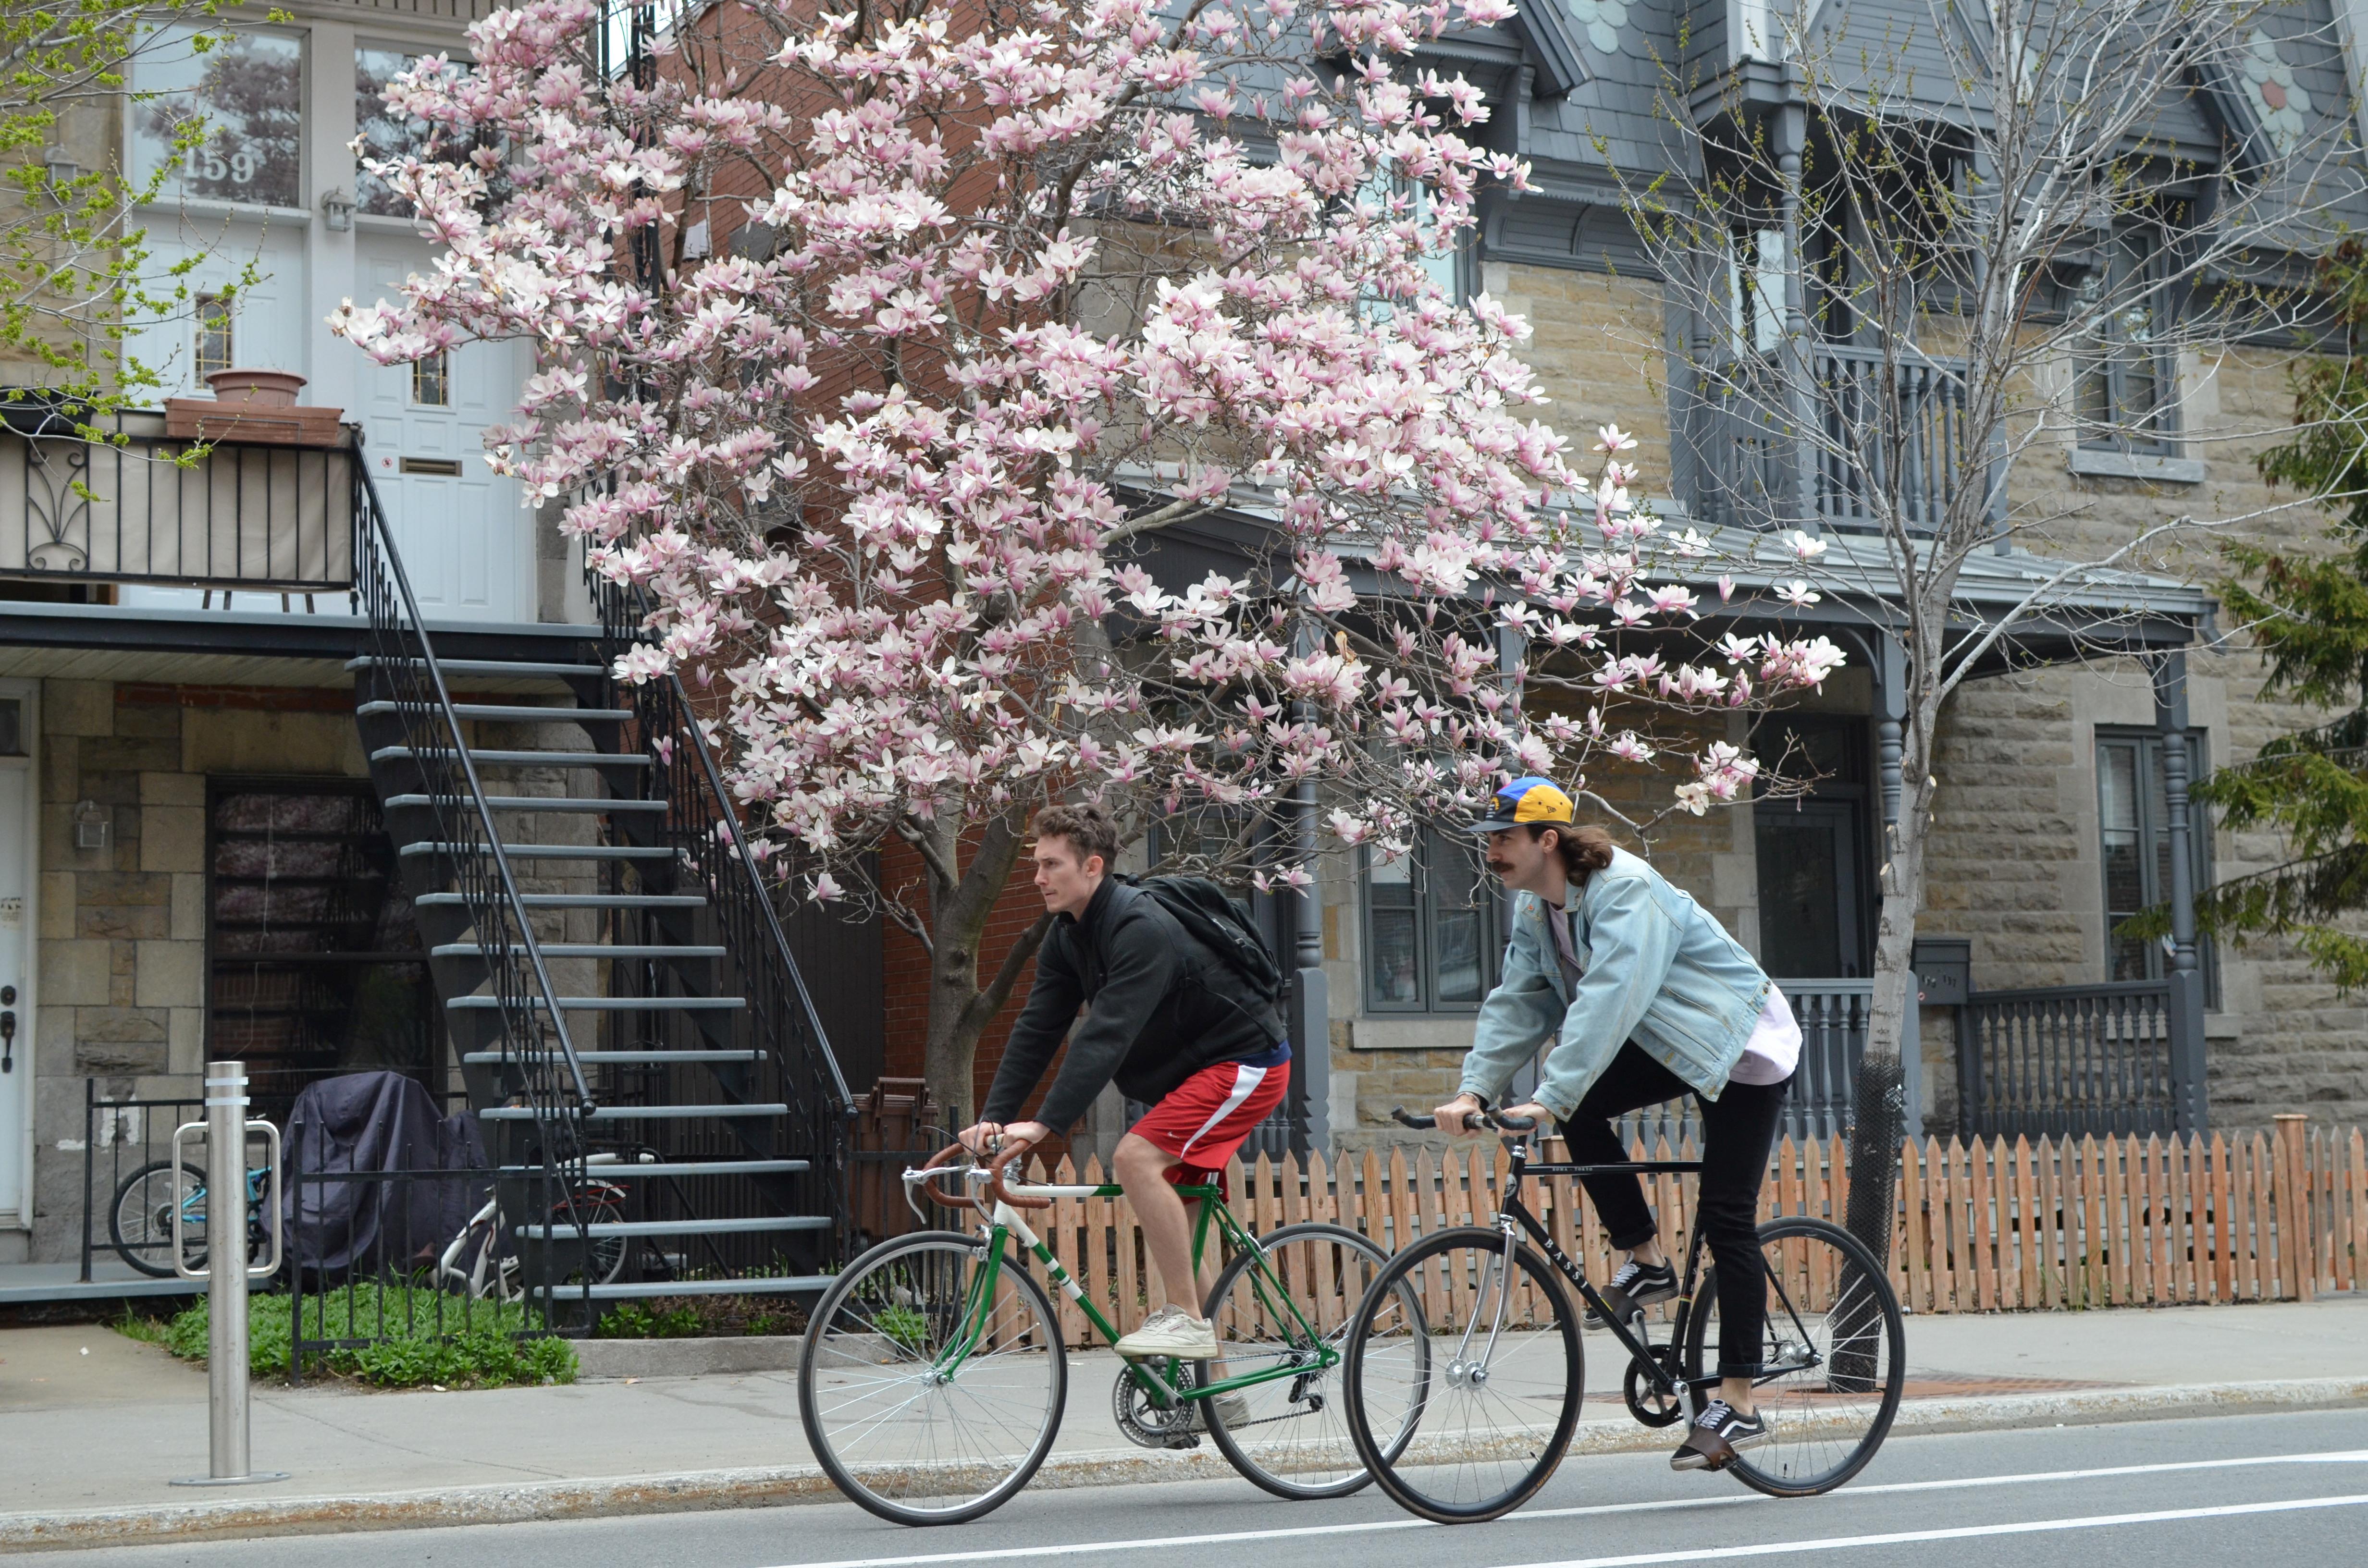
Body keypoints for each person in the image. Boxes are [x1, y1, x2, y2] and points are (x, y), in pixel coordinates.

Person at [1431, 776, 1800, 1473]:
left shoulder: (1626, 890)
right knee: (1580, 1105)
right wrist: (1476, 1087)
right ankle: (1648, 1263)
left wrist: (1549, 1095)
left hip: (1740, 1044)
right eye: (1488, 841)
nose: (1492, 853)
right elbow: (1520, 1000)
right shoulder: (1539, 911)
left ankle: (1740, 1401)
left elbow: (1610, 998)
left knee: (1726, 1218)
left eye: (1503, 839)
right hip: (1669, 1043)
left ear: (1548, 840)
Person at [959, 801, 1290, 1363]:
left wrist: (1045, 1123)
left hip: (1246, 1064)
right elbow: (1038, 1026)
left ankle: (1185, 1320)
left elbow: (1105, 1035)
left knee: (1135, 1159)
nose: (1038, 878)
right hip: (1192, 1075)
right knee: (1181, 1236)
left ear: (1092, 866)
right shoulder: (1068, 935)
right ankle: (1215, 1393)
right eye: (1035, 865)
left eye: (1051, 865)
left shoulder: (1141, 928)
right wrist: (995, 1114)